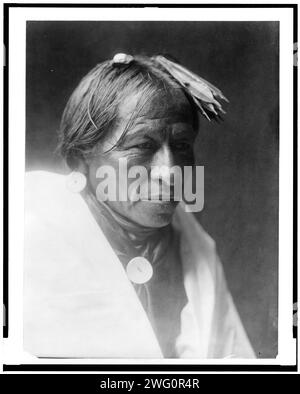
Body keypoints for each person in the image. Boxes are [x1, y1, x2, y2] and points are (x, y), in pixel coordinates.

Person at [24, 53, 255, 358]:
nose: (170, 171)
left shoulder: (194, 243)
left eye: (182, 145)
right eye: (142, 146)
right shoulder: (25, 231)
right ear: (79, 161)